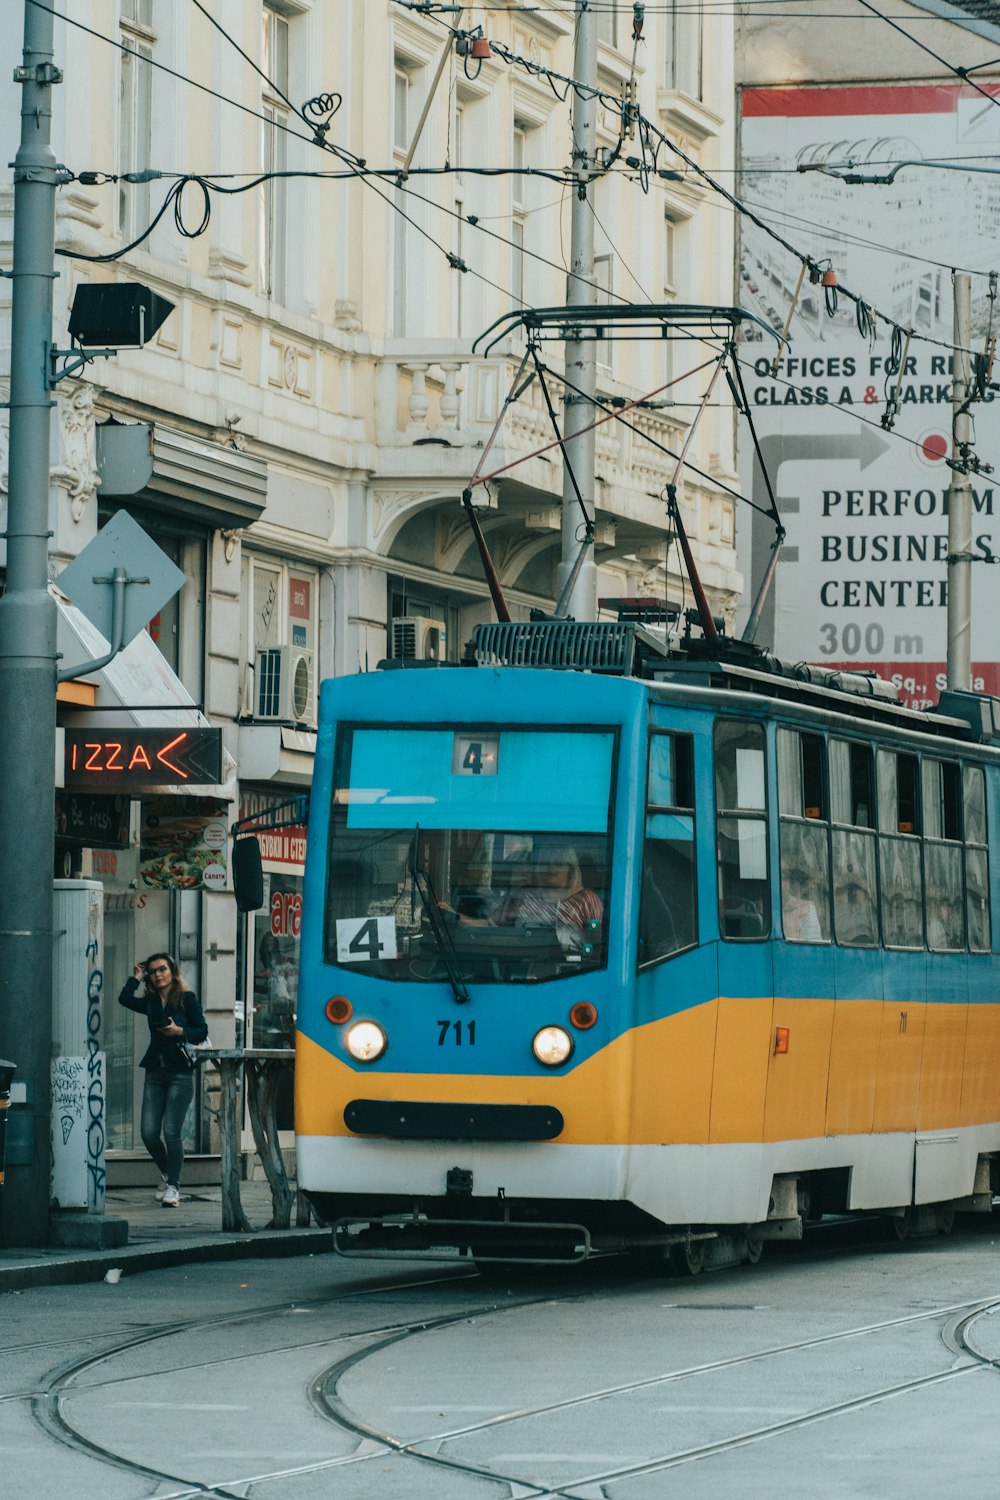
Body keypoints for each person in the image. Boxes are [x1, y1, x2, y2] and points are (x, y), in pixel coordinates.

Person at [118, 953, 208, 1207]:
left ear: (172, 971)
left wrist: (180, 1031)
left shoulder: (186, 999)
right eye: (153, 971)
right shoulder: (150, 1001)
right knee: (148, 1133)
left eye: (162, 969)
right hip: (155, 1073)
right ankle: (168, 1174)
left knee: (171, 1132)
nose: (158, 974)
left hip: (180, 1072)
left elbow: (202, 1030)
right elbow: (124, 999)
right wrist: (135, 977)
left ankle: (174, 1187)